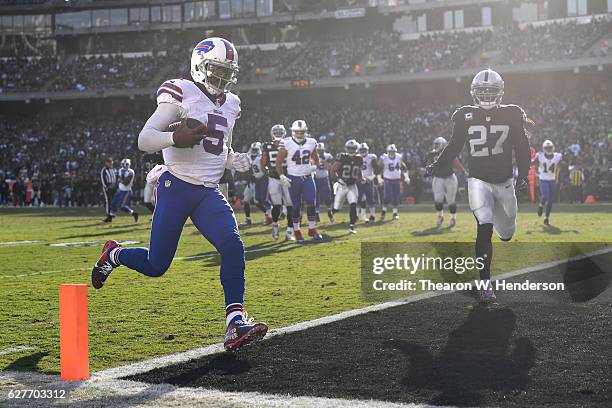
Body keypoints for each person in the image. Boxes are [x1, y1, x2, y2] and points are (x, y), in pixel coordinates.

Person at [90, 37, 267, 351]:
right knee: (157, 265)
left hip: (209, 191)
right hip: (177, 186)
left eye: (227, 72)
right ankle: (114, 255)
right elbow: (145, 139)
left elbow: (220, 144)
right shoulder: (180, 91)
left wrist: (232, 159)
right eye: (216, 70)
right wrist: (174, 137)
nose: (221, 78)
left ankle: (234, 323)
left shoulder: (232, 103)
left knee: (232, 245)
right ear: (199, 65)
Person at [428, 68, 531, 304]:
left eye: (490, 91)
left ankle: (501, 226)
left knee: (506, 233)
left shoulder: (512, 113)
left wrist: (523, 174)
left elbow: (522, 147)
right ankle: (485, 285)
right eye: (482, 91)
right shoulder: (464, 115)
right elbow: (454, 145)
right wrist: (437, 163)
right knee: (484, 228)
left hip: (504, 182)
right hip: (477, 181)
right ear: (474, 93)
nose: (486, 95)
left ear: (500, 92)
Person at [276, 120, 322, 243]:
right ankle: (297, 231)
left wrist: (315, 166)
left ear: (305, 131)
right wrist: (282, 176)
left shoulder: (312, 142)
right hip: (294, 178)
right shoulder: (286, 142)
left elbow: (316, 159)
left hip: (307, 177)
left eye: (302, 132)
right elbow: (278, 162)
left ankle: (312, 228)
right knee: (296, 206)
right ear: (293, 132)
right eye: (297, 132)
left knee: (311, 202)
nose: (300, 134)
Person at [261, 124, 295, 241]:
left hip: (286, 178)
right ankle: (275, 226)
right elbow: (263, 164)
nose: (279, 134)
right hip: (275, 178)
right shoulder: (268, 145)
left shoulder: (288, 144)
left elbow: (263, 165)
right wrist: (268, 172)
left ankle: (289, 232)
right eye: (278, 132)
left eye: (280, 132)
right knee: (277, 206)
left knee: (290, 206)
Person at [425, 137, 465, 227]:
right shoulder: (431, 154)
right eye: (435, 144)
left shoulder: (448, 152)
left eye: (437, 144)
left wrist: (463, 171)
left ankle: (453, 218)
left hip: (450, 177)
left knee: (451, 200)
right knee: (438, 200)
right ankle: (440, 216)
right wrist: (428, 171)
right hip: (438, 178)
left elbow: (456, 162)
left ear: (443, 144)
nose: (435, 146)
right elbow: (428, 164)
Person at [331, 139, 363, 233]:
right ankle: (332, 212)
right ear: (346, 148)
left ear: (356, 149)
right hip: (342, 185)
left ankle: (351, 225)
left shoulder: (359, 158)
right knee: (337, 207)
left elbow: (359, 171)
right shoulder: (342, 157)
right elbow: (333, 170)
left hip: (352, 185)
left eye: (353, 148)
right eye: (350, 148)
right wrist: (336, 180)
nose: (352, 150)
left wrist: (362, 178)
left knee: (353, 204)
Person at [378, 144, 409, 220]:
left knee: (396, 197)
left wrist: (406, 177)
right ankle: (383, 212)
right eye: (390, 151)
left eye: (393, 151)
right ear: (388, 152)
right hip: (387, 179)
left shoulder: (398, 157)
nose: (392, 153)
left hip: (397, 180)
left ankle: (395, 213)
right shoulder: (384, 158)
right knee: (387, 197)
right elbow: (379, 168)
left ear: (395, 151)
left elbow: (404, 167)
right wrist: (379, 178)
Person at [534, 140, 562, 225]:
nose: (549, 149)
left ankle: (546, 217)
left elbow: (560, 165)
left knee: (550, 200)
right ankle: (541, 206)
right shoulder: (540, 156)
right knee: (546, 195)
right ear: (544, 149)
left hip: (552, 180)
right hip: (543, 179)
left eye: (550, 148)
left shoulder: (558, 156)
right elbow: (534, 163)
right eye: (547, 148)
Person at [109, 158, 139, 223]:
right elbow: (120, 180)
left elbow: (126, 183)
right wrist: (121, 180)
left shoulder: (131, 172)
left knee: (121, 206)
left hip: (126, 191)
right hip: (120, 189)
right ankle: (110, 217)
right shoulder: (120, 170)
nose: (124, 166)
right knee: (113, 203)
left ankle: (134, 213)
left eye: (125, 164)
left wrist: (121, 179)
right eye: (123, 164)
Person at [357, 142, 378, 223]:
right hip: (359, 180)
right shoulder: (356, 157)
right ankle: (357, 216)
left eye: (364, 149)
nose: (362, 151)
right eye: (361, 150)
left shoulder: (371, 157)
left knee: (370, 199)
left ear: (367, 150)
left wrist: (370, 178)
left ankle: (372, 216)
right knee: (358, 199)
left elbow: (376, 170)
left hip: (369, 180)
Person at [314, 142, 334, 223]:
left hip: (324, 178)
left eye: (321, 150)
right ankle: (316, 214)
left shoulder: (328, 156)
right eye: (318, 150)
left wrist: (323, 160)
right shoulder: (312, 155)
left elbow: (328, 167)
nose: (319, 152)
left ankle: (329, 211)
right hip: (315, 178)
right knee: (315, 197)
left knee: (327, 196)